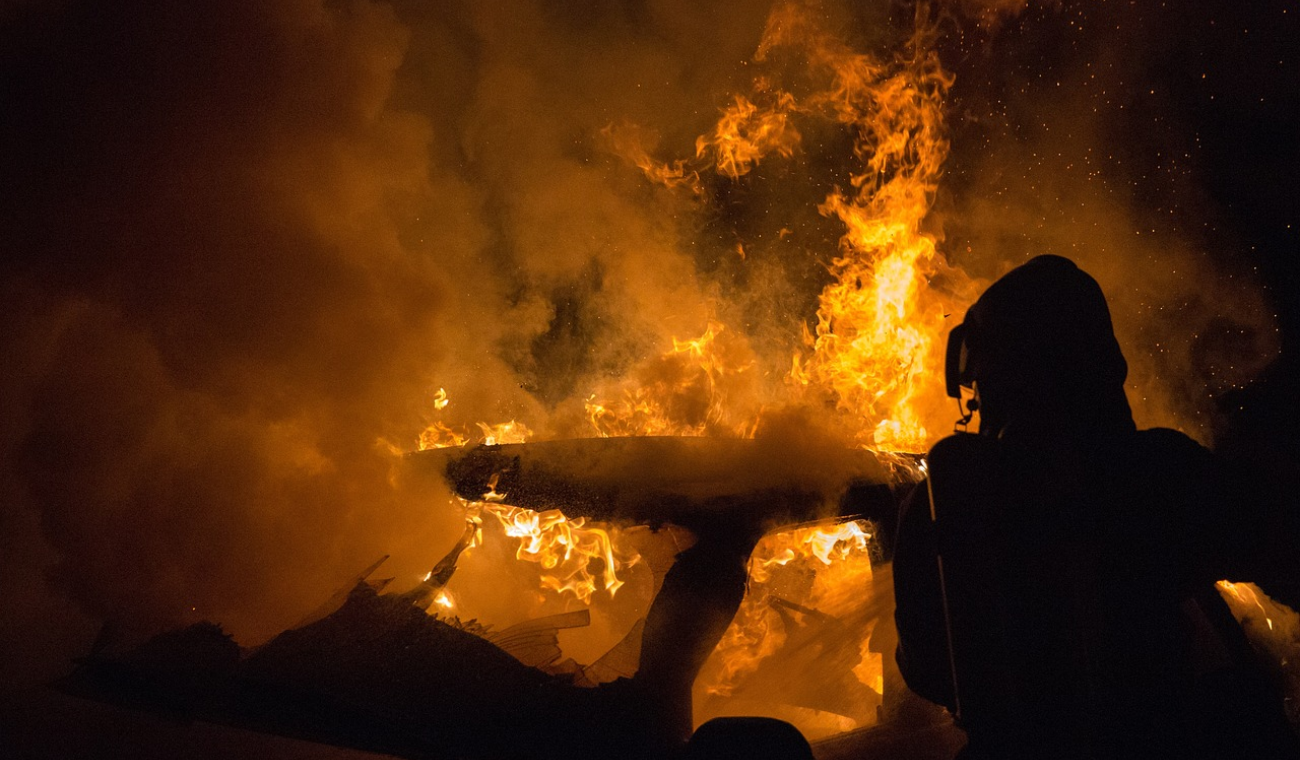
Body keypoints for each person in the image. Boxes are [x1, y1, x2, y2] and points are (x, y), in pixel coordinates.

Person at [892, 255, 1299, 759]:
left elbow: (924, 667)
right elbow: (1275, 547)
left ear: (990, 380)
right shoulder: (1160, 470)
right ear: (1103, 360)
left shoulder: (943, 501)